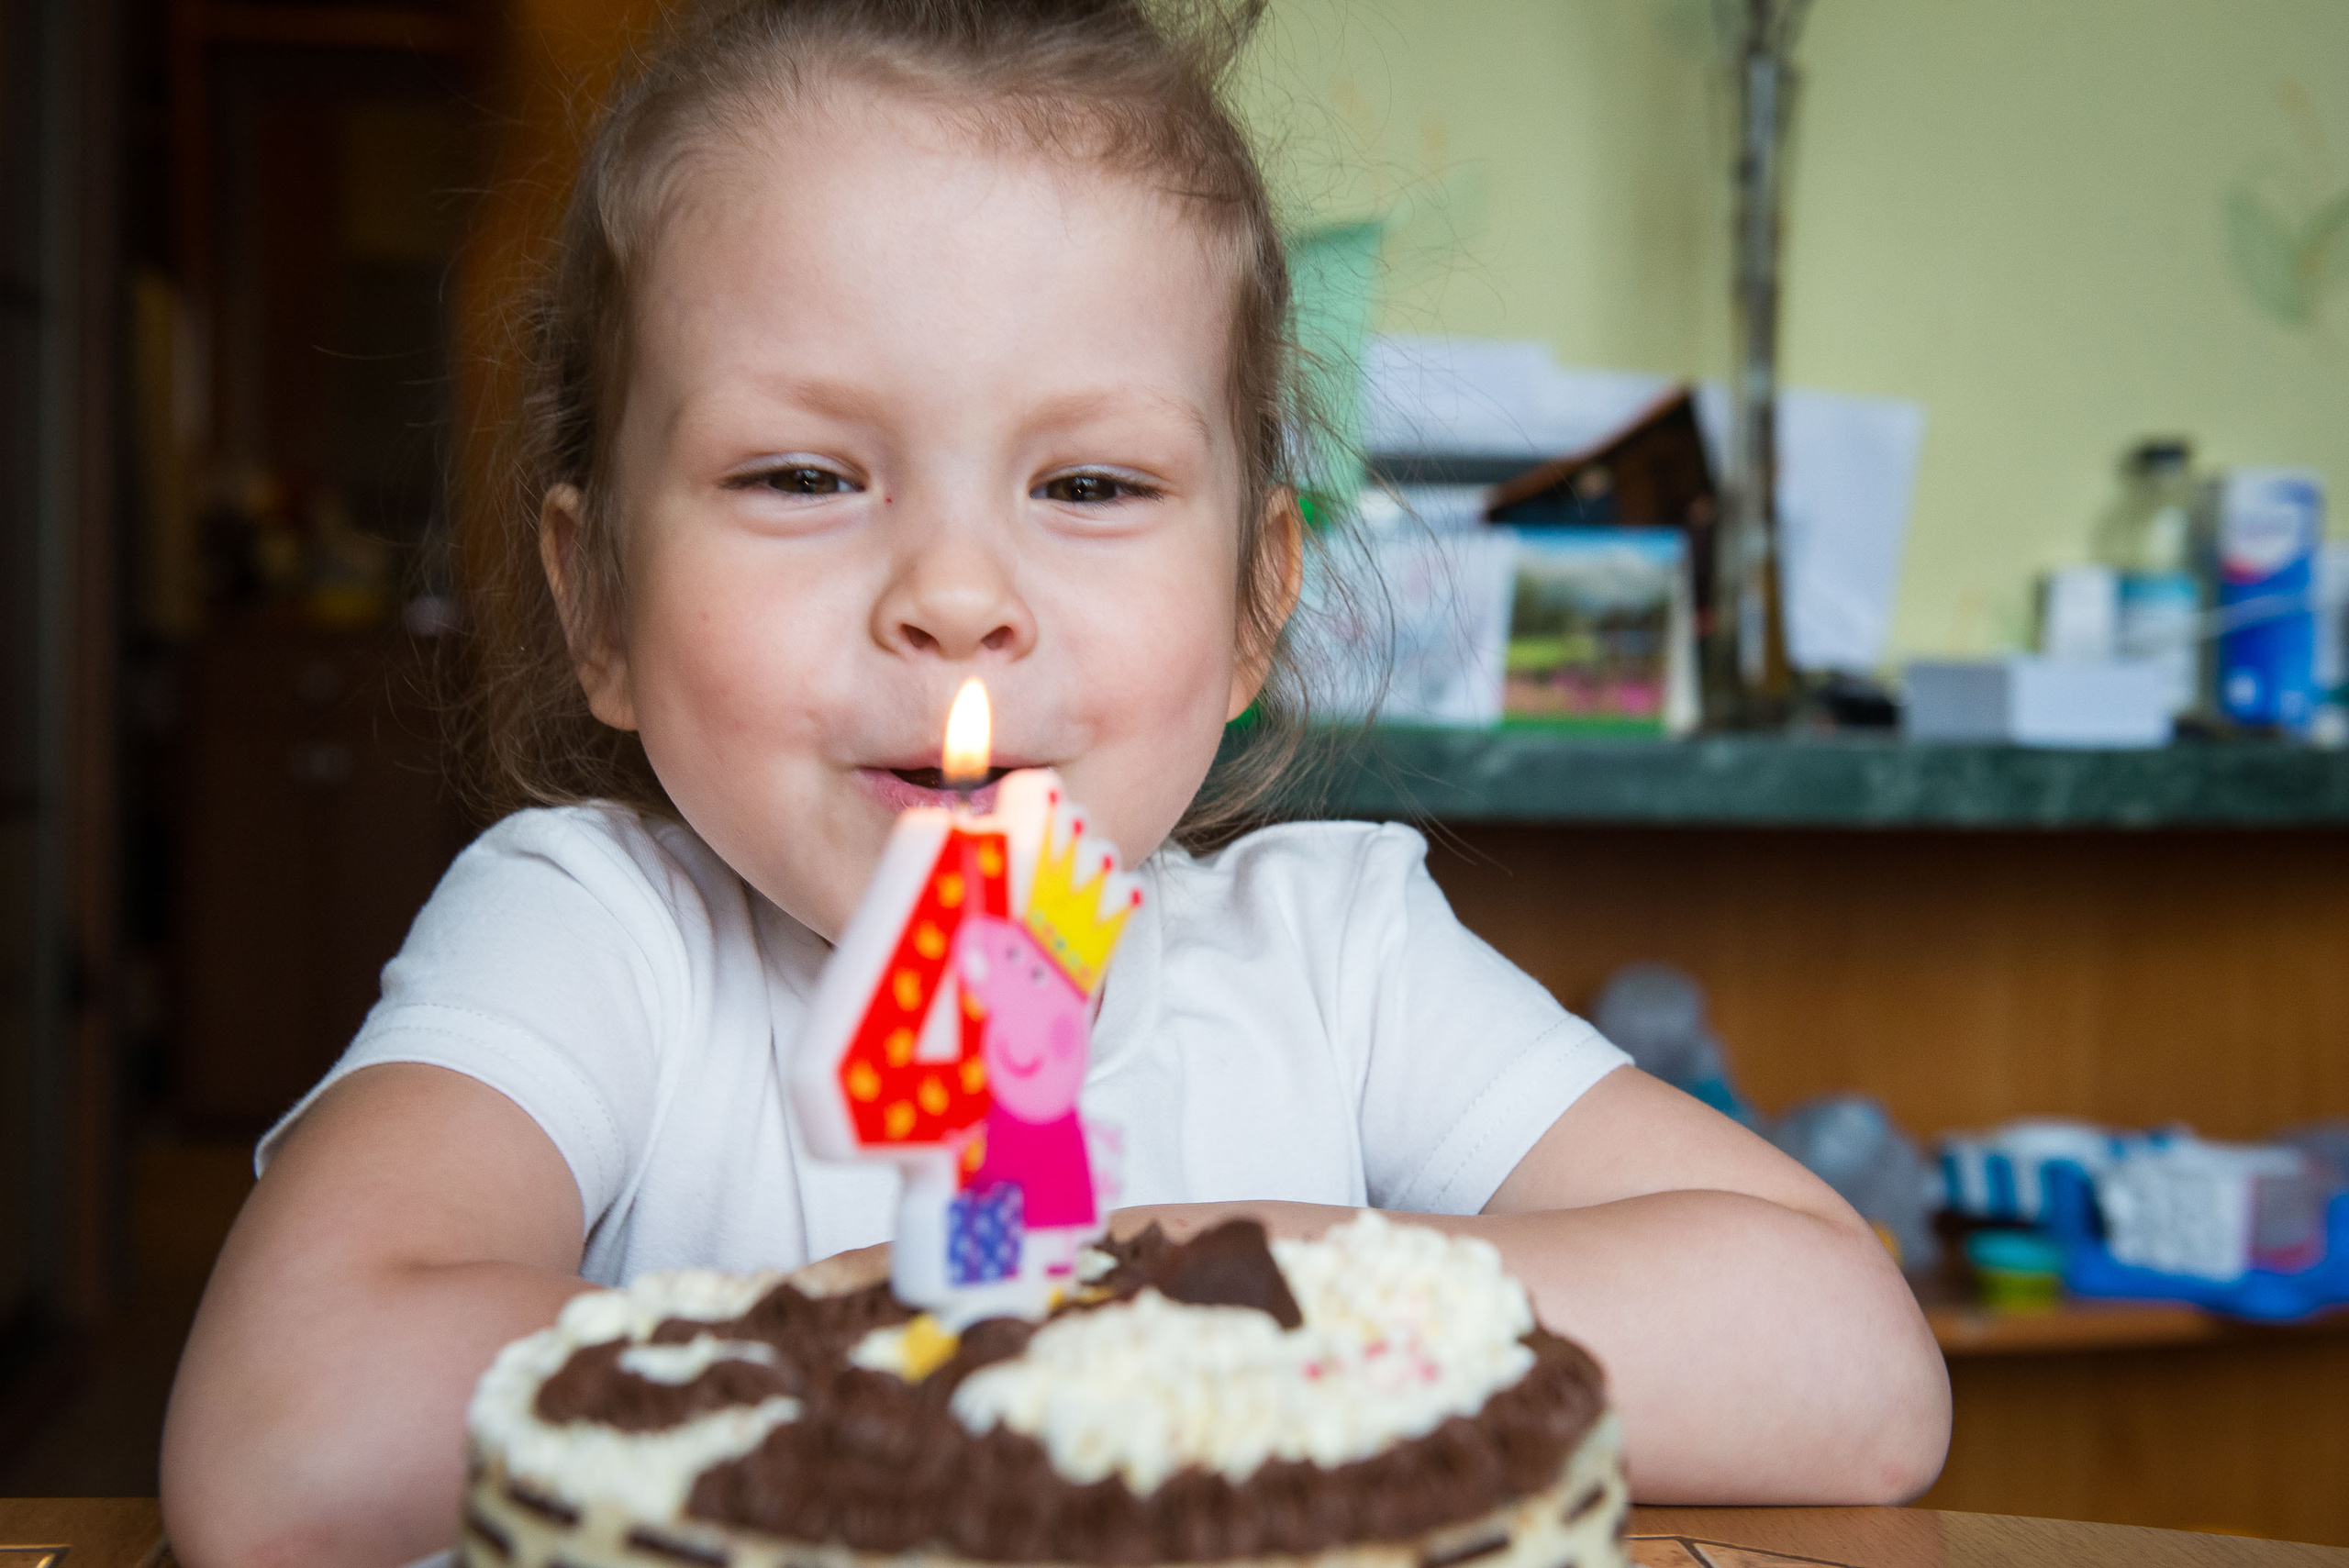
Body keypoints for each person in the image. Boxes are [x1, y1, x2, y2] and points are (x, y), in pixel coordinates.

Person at [160, 3, 1949, 1562]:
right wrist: (958, 1304)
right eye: (798, 474)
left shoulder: (1336, 963)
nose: (954, 597)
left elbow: (1851, 1376)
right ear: (597, 601)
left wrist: (1176, 1283)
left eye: (1088, 487)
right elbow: (284, 1454)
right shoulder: (597, 937)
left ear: (1256, 605)